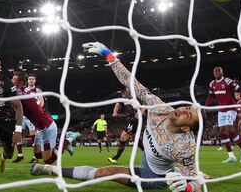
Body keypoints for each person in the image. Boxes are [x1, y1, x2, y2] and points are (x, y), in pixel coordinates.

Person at [30, 42, 200, 192]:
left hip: (153, 176)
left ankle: (49, 170)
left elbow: (197, 188)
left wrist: (189, 186)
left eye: (188, 114)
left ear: (186, 129)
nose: (183, 109)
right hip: (149, 155)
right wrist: (109, 56)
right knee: (129, 137)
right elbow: (132, 83)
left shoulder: (185, 146)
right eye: (186, 107)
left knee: (105, 173)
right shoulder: (160, 108)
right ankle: (179, 171)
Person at [11, 71, 80, 165]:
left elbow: (16, 105)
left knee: (48, 160)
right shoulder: (24, 91)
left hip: (47, 126)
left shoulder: (20, 93)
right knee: (38, 155)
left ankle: (68, 139)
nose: (11, 80)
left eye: (13, 79)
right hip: (41, 128)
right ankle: (62, 143)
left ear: (20, 81)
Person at [205, 67, 241, 163]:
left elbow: (239, 88)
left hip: (231, 108)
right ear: (213, 73)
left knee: (229, 128)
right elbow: (210, 96)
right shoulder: (212, 84)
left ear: (222, 72)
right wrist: (205, 107)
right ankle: (231, 156)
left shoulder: (228, 81)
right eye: (215, 71)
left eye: (218, 71)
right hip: (221, 110)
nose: (217, 73)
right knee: (222, 132)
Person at [108, 88, 145, 164]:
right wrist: (114, 112)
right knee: (135, 139)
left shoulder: (137, 93)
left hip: (134, 119)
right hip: (128, 119)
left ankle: (115, 158)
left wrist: (141, 112)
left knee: (123, 136)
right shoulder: (123, 94)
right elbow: (118, 104)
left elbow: (144, 103)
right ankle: (149, 154)